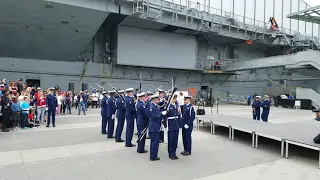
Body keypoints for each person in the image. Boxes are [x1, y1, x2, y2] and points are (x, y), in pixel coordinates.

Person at [148, 94, 167, 161]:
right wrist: (161, 114)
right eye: (157, 99)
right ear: (154, 100)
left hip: (156, 126)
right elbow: (153, 117)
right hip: (154, 127)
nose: (158, 100)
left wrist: (162, 113)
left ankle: (154, 155)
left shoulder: (156, 106)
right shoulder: (152, 107)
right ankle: (153, 156)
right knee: (154, 143)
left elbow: (158, 114)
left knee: (156, 143)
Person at [167, 94, 180, 160]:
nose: (174, 99)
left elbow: (179, 115)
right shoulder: (168, 106)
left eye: (175, 98)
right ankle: (170, 154)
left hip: (176, 124)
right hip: (171, 124)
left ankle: (174, 153)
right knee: (171, 140)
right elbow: (165, 116)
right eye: (173, 98)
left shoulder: (177, 105)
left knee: (175, 140)